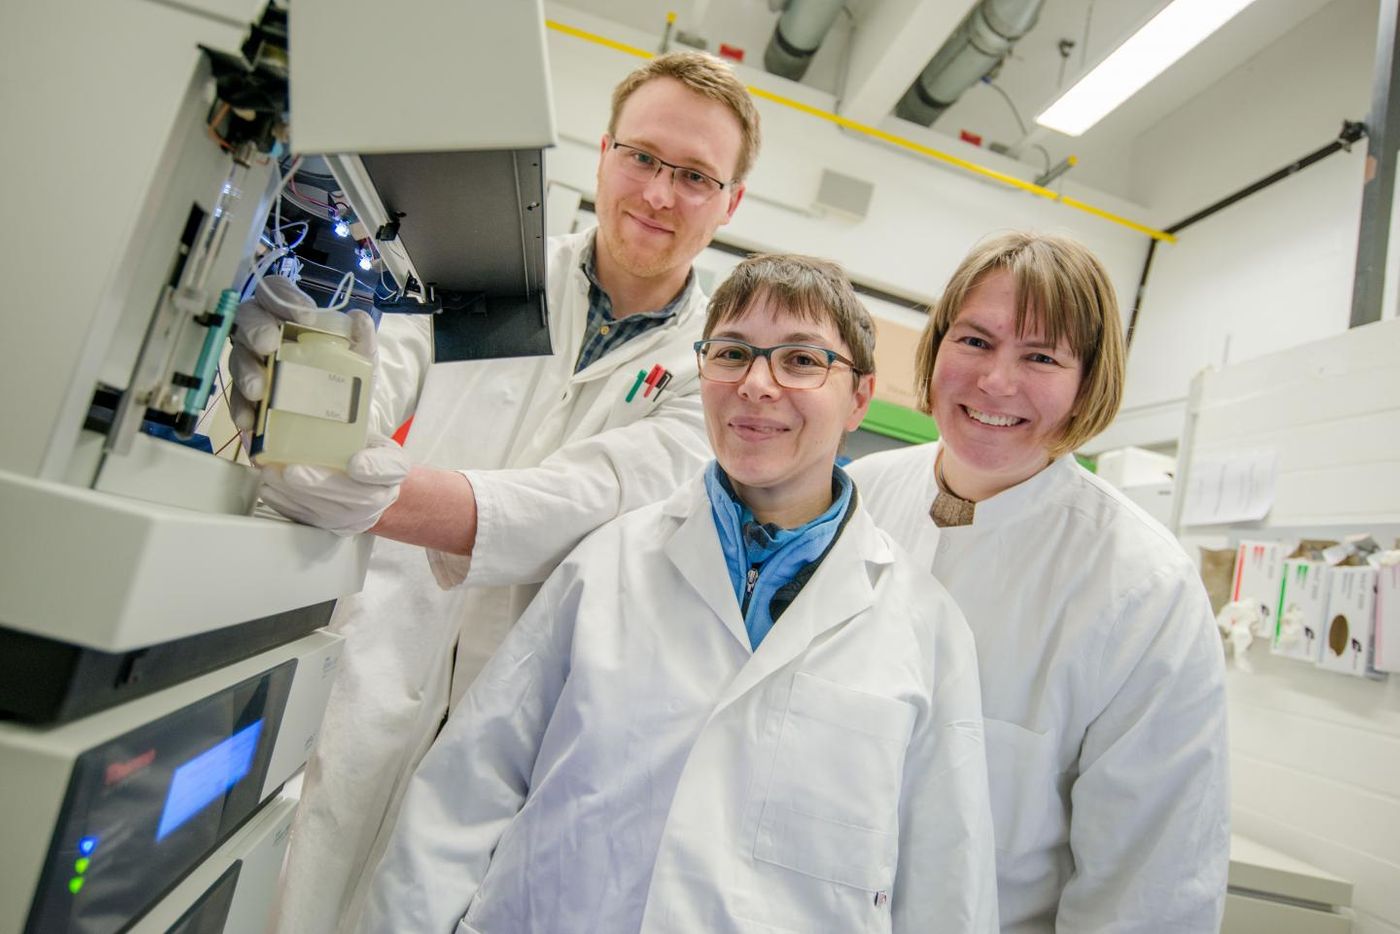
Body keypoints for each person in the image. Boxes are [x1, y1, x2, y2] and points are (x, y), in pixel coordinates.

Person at [232, 52, 763, 934]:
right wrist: (304, 385)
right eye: (642, 157)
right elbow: (378, 375)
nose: (660, 194)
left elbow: (578, 506)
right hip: (376, 660)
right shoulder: (486, 275)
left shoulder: (717, 367)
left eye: (697, 176)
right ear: (602, 154)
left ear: (732, 201)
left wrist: (366, 494)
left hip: (530, 715)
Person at [358, 254, 999, 934]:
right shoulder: (606, 564)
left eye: (803, 361)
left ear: (860, 398)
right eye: (732, 353)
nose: (757, 384)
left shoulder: (924, 628)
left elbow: (945, 887)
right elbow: (462, 798)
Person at [847, 231, 1229, 932]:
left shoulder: (1143, 588)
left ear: (1089, 382)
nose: (996, 381)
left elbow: (1150, 887)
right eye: (974, 342)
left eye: (1042, 356)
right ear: (934, 350)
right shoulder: (852, 502)